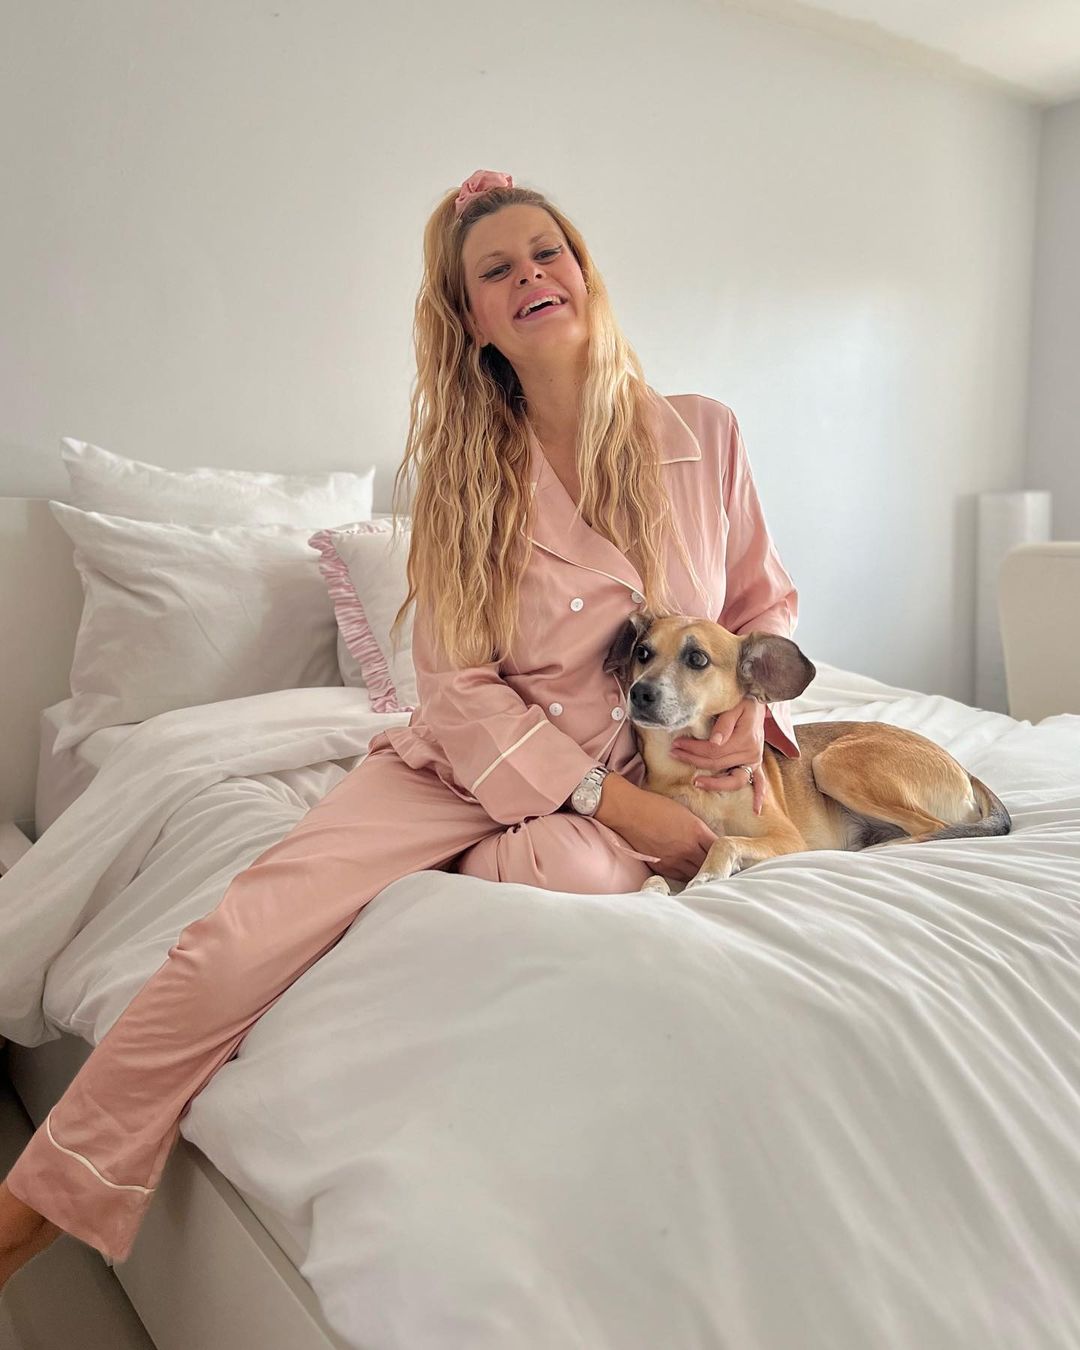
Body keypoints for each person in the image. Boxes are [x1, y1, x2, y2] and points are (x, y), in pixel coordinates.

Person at [0, 168, 801, 1288]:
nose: (531, 275)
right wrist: (608, 803)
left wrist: (744, 714)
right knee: (240, 934)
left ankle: (499, 860)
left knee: (572, 875)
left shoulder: (704, 434)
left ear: (583, 272)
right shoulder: (464, 479)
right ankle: (33, 1207)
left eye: (548, 251)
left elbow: (763, 606)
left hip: (661, 761)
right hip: (467, 764)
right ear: (472, 319)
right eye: (497, 269)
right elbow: (456, 688)